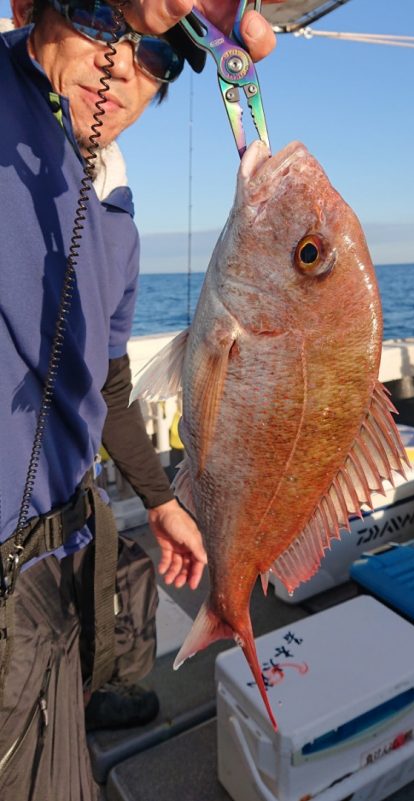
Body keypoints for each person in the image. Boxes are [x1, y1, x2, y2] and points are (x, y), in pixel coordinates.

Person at [0, 1, 278, 798]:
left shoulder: (115, 201)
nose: (123, 62)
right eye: (99, 11)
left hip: (59, 548)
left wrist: (158, 497)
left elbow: (106, 376)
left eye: (159, 53)